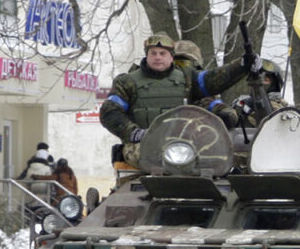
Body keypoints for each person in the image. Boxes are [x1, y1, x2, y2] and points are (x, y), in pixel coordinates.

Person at [100, 32, 250, 166]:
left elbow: (216, 78)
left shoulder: (188, 78)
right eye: (153, 53)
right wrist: (133, 132)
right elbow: (110, 111)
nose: (158, 57)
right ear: (147, 56)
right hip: (144, 145)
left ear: (171, 57)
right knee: (159, 160)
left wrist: (243, 64)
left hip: (186, 145)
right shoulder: (128, 82)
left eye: (162, 53)